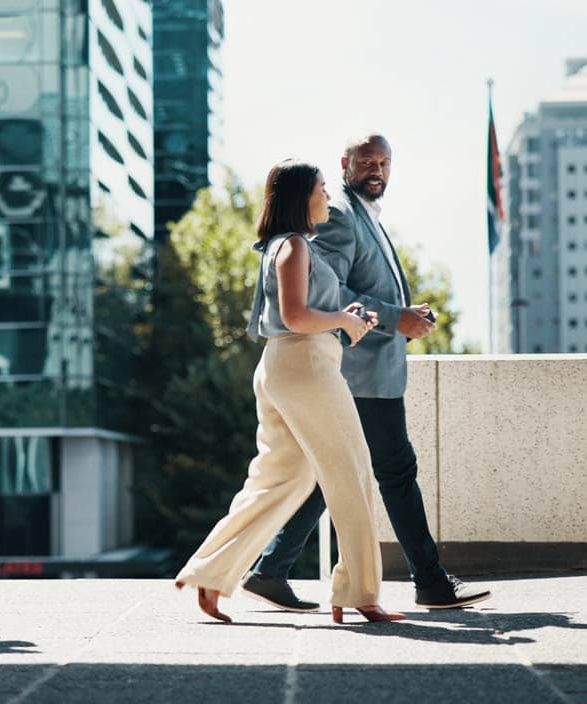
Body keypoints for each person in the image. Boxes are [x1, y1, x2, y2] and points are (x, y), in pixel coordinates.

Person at [242, 134, 492, 612]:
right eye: (367, 161)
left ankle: (270, 570)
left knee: (330, 474)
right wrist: (395, 318)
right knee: (394, 470)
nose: (377, 169)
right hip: (354, 370)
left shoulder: (364, 214)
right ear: (345, 164)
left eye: (384, 161)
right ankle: (431, 583)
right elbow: (329, 291)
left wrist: (403, 311)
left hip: (364, 368)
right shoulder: (335, 215)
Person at [175, 159, 403, 625]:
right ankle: (360, 594)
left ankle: (209, 573)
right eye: (321, 188)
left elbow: (296, 314)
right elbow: (298, 317)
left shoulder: (286, 245)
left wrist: (347, 318)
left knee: (283, 478)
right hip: (306, 365)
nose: (327, 196)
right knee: (354, 473)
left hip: (284, 365)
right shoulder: (296, 246)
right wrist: (343, 319)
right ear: (303, 197)